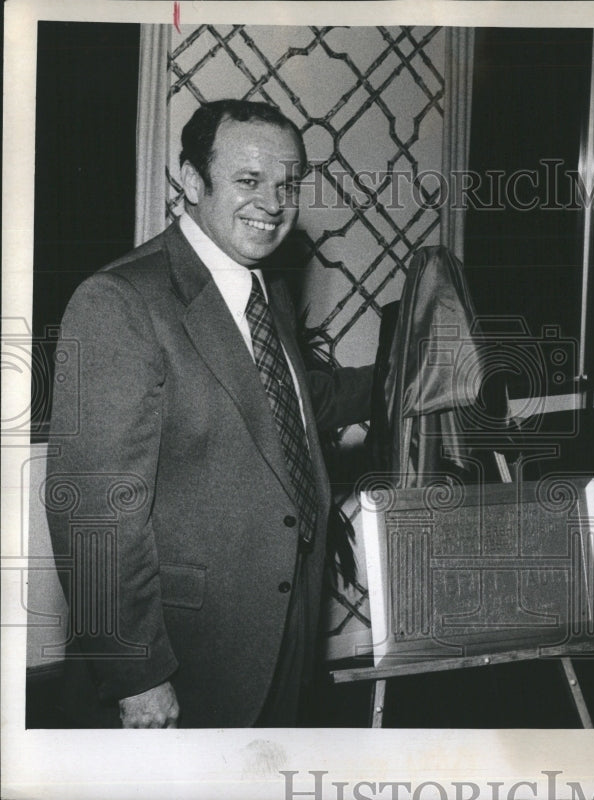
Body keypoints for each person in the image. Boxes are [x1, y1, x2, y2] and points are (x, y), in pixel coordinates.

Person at [45, 100, 372, 728]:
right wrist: (137, 673)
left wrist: (402, 372)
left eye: (287, 184)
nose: (273, 203)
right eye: (249, 181)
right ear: (192, 182)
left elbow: (295, 405)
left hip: (282, 631)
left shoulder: (261, 290)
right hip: (182, 654)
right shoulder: (120, 300)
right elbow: (92, 507)